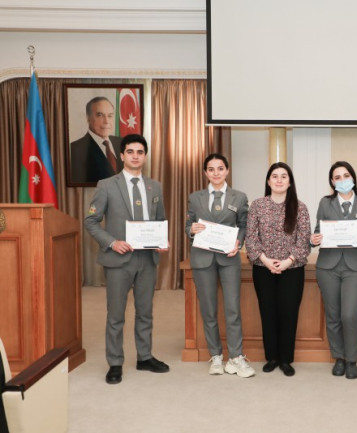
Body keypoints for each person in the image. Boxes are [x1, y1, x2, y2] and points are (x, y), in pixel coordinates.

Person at [84, 134, 169, 384]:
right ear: (122, 155)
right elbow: (91, 221)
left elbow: (159, 220)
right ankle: (115, 362)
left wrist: (162, 241)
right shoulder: (106, 185)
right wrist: (112, 241)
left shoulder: (155, 186)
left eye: (140, 152)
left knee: (145, 312)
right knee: (116, 315)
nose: (135, 156)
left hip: (147, 259)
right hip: (118, 261)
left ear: (145, 155)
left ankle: (144, 357)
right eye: (130, 151)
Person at [185, 154, 255, 378]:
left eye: (220, 168)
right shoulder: (195, 197)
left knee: (232, 309)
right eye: (211, 169)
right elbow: (189, 224)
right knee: (208, 309)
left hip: (228, 258)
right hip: (202, 258)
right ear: (205, 172)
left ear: (227, 171)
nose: (216, 173)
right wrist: (191, 230)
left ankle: (236, 357)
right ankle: (215, 355)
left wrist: (239, 241)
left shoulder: (240, 197)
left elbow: (244, 225)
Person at [311, 161, 357, 380]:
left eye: (345, 175)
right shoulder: (325, 203)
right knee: (333, 315)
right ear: (332, 182)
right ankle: (338, 358)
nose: (342, 180)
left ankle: (351, 359)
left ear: (353, 178)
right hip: (328, 265)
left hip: (354, 266)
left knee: (349, 314)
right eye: (337, 177)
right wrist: (314, 239)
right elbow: (317, 232)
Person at [245, 162, 311, 377]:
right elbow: (251, 238)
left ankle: (286, 359)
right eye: (275, 176)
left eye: (284, 176)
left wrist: (287, 261)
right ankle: (271, 357)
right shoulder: (257, 205)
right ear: (268, 181)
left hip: (292, 269)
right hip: (262, 268)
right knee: (268, 312)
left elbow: (304, 241)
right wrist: (265, 260)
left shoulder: (299, 207)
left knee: (288, 313)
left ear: (290, 182)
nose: (279, 180)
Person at [70, 96, 123, 184]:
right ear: (88, 118)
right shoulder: (75, 149)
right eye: (100, 115)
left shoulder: (123, 143)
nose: (106, 121)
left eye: (110, 116)